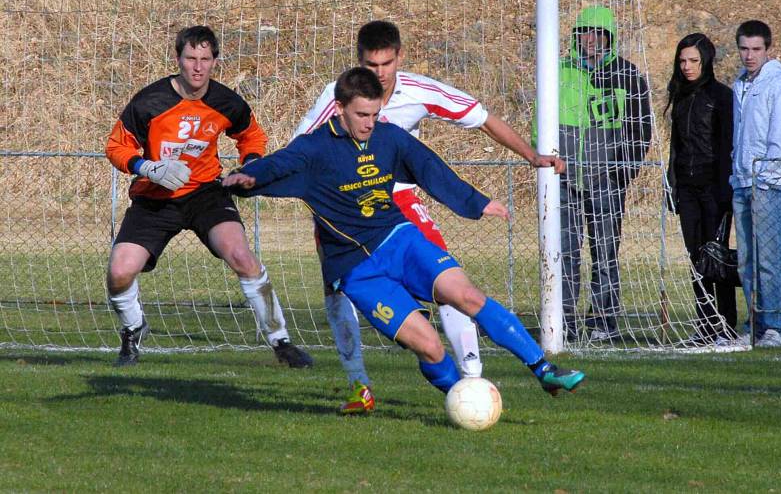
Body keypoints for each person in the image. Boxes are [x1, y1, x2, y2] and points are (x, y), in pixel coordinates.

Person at [225, 66, 585, 400]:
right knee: (429, 346)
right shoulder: (314, 148)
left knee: (466, 295)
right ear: (339, 108)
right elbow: (280, 164)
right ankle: (463, 398)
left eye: (375, 115)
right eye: (361, 115)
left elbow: (429, 167)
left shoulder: (388, 138)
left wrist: (474, 202)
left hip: (399, 239)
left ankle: (544, 368)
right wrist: (248, 178)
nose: (369, 124)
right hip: (356, 270)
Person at [294, 20, 565, 413]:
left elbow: (482, 117)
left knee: (451, 286)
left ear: (399, 58)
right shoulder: (336, 99)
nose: (379, 73)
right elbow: (299, 152)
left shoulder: (419, 91)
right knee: (335, 290)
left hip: (400, 201)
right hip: (345, 209)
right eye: (371, 64)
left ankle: (472, 379)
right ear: (358, 62)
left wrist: (532, 157)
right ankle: (359, 384)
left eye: (386, 63)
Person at [104, 25, 313, 367]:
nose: (197, 67)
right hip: (155, 200)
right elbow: (115, 146)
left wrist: (251, 166)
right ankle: (133, 330)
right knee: (119, 273)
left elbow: (251, 136)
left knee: (242, 256)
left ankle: (282, 342)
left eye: (205, 59)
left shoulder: (225, 101)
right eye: (190, 59)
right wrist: (146, 167)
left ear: (215, 61)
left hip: (205, 194)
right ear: (178, 60)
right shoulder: (149, 102)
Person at [533, 5, 652, 342]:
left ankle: (603, 321)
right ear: (576, 36)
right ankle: (564, 319)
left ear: (610, 38)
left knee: (605, 253)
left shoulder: (628, 76)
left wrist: (622, 173)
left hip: (607, 182)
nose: (592, 40)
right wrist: (545, 166)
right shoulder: (558, 72)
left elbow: (641, 130)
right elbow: (538, 124)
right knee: (564, 251)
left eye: (600, 34)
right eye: (586, 32)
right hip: (565, 181)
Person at [730, 20, 781, 348]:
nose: (749, 55)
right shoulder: (740, 85)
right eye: (744, 48)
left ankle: (778, 327)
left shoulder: (780, 85)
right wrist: (737, 174)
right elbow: (739, 136)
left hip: (772, 183)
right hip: (743, 181)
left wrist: (764, 180)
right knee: (746, 259)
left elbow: (780, 141)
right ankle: (755, 323)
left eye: (756, 49)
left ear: (767, 49)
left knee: (770, 259)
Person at [665, 33, 736, 345]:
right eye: (682, 61)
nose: (687, 66)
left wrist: (725, 192)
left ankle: (728, 326)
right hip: (688, 189)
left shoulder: (721, 96)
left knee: (716, 257)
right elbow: (676, 148)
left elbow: (726, 146)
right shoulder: (680, 96)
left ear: (706, 61)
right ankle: (705, 327)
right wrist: (674, 186)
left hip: (714, 188)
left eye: (693, 60)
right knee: (697, 260)